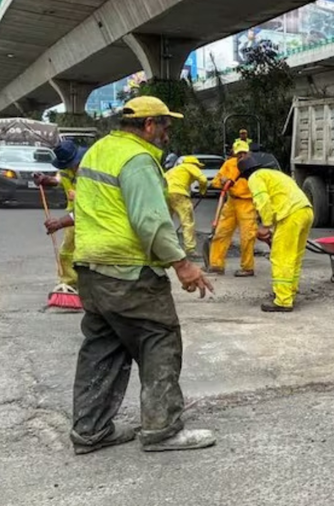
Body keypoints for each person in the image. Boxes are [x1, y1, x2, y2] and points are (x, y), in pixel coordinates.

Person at [69, 95, 215, 454]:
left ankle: (90, 430)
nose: (168, 133)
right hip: (128, 272)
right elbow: (150, 220)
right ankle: (162, 430)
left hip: (91, 269)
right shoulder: (137, 159)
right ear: (149, 125)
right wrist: (183, 264)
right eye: (166, 125)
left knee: (102, 348)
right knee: (159, 338)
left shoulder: (99, 151)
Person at [241, 153, 313, 313]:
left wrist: (265, 226)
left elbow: (263, 201)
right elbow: (278, 200)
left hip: (291, 215)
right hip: (305, 211)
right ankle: (289, 291)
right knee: (294, 256)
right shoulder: (274, 174)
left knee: (281, 257)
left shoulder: (255, 177)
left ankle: (283, 300)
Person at [34, 139, 87, 309]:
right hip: (73, 216)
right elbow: (57, 180)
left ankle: (85, 287)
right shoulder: (65, 171)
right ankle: (69, 284)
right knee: (66, 253)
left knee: (86, 253)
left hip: (90, 216)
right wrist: (45, 180)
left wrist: (77, 197)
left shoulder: (88, 171)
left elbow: (93, 202)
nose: (71, 167)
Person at [208, 140, 258, 277]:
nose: (241, 155)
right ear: (234, 153)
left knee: (247, 236)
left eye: (244, 152)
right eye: (239, 153)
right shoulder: (229, 164)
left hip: (247, 203)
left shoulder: (252, 166)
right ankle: (216, 265)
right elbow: (216, 181)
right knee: (221, 232)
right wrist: (222, 181)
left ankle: (247, 267)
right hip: (231, 202)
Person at [164, 156, 206, 260]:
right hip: (179, 194)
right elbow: (203, 179)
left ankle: (165, 247)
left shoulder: (172, 170)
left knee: (166, 222)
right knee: (187, 222)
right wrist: (202, 190)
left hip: (165, 194)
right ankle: (190, 249)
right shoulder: (189, 166)